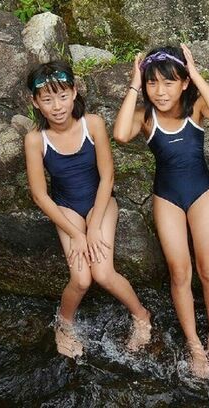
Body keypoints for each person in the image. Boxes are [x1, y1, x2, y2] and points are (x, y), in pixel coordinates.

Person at [113, 45, 209, 377]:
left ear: (183, 83)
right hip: (167, 199)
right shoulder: (145, 116)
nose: (160, 91)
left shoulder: (196, 107)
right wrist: (134, 83)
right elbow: (120, 135)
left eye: (169, 82)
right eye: (152, 83)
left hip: (201, 194)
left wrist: (196, 75)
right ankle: (194, 344)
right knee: (180, 273)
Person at [24, 61, 152, 359]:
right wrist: (77, 234)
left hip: (100, 202)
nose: (57, 106)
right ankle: (64, 324)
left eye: (63, 96)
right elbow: (41, 196)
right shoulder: (35, 139)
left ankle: (141, 315)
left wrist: (93, 227)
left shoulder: (92, 124)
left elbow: (107, 176)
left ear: (74, 92)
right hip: (66, 208)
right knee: (82, 279)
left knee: (103, 273)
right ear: (36, 102)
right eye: (47, 99)